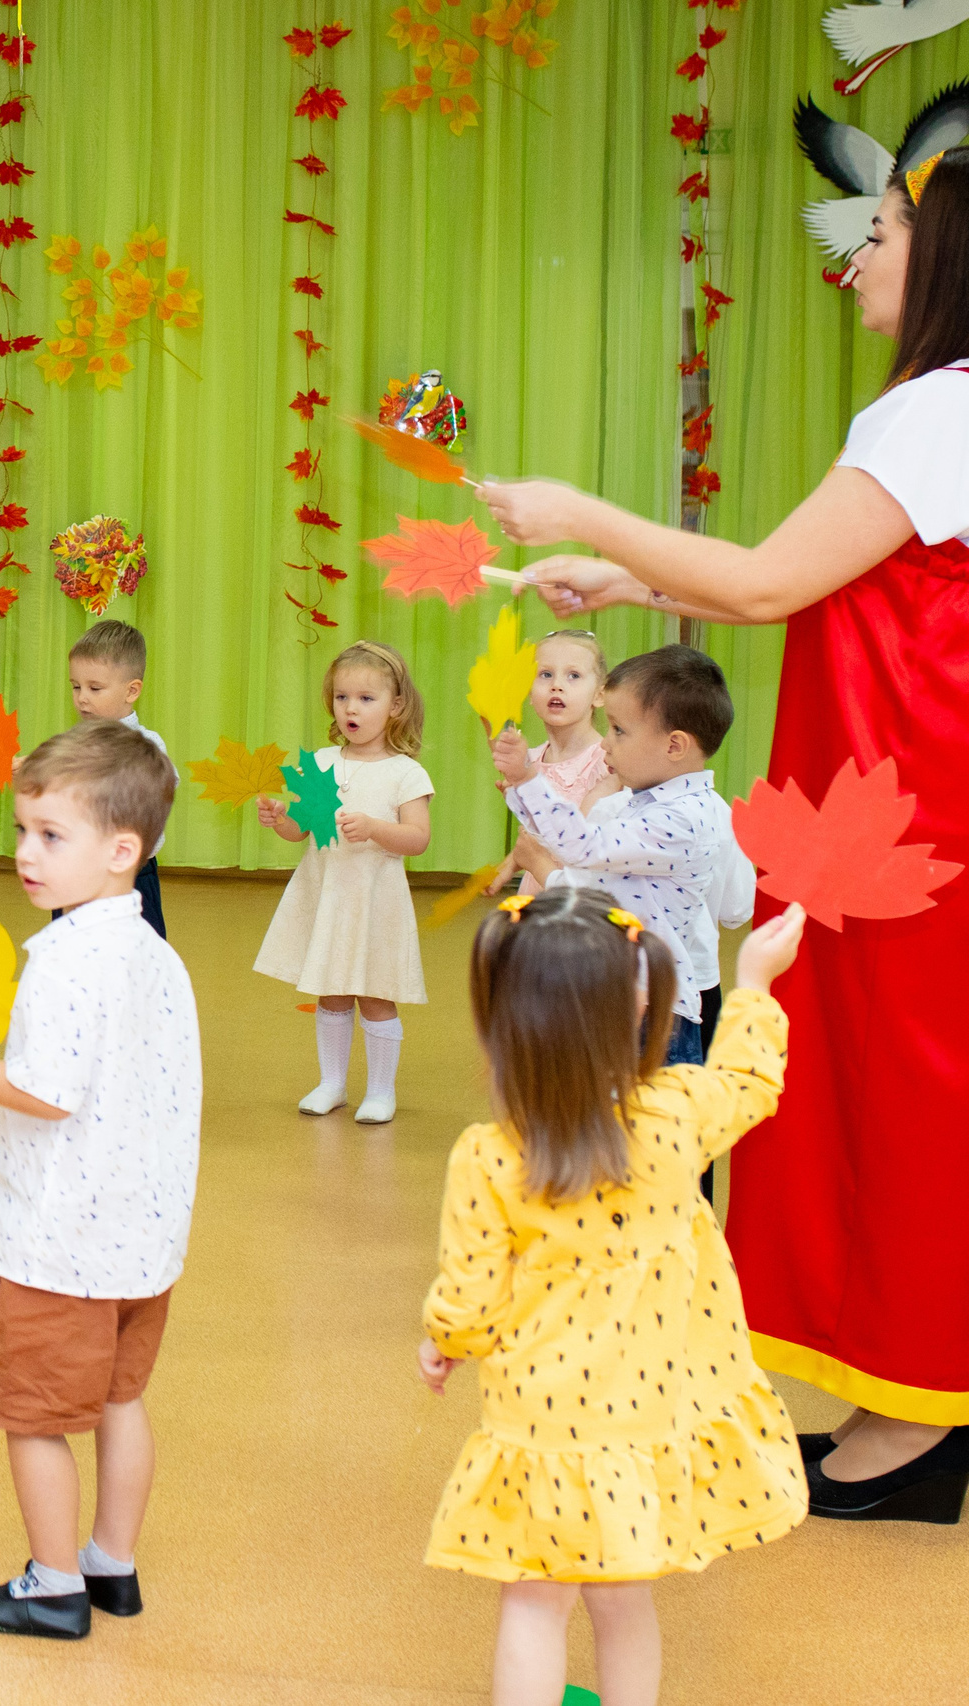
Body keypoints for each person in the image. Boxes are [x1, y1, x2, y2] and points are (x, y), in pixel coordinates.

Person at [484, 149, 969, 1515]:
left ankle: (919, 1410)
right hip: (907, 804)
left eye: (881, 232)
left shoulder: (936, 407)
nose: (856, 258)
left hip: (901, 813)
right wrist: (626, 577)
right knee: (894, 1088)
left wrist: (582, 511)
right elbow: (821, 580)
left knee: (897, 1091)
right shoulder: (946, 408)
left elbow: (762, 584)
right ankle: (909, 1390)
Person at [418, 888, 809, 1706]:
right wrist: (755, 982)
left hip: (539, 1422)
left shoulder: (490, 1157)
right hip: (646, 1416)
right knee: (624, 1597)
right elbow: (748, 1079)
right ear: (637, 1006)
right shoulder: (676, 1116)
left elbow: (472, 1299)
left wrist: (444, 1340)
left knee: (534, 1599)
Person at [0, 721, 199, 1640]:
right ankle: (113, 1563)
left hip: (60, 1247)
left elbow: (46, 1091)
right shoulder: (155, 952)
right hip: (143, 1243)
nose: (25, 854)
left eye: (51, 836)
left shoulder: (66, 960)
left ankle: (54, 1584)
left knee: (33, 1417)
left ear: (121, 851)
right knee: (120, 1400)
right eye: (23, 831)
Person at [489, 647, 734, 1068]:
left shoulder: (681, 818)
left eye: (619, 730)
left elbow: (582, 848)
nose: (605, 742)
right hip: (619, 993)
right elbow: (577, 857)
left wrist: (528, 779)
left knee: (648, 1110)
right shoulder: (645, 803)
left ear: (675, 745)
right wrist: (520, 787)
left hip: (652, 1014)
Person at [252, 641, 434, 1124]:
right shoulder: (321, 762)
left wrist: (374, 828)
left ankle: (381, 1091)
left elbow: (417, 838)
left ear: (396, 706)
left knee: (375, 993)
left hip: (375, 901)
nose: (351, 708)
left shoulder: (406, 772)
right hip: (327, 896)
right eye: (342, 697)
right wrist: (279, 818)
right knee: (330, 990)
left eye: (366, 698)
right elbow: (300, 830)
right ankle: (332, 1083)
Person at [485, 629, 618, 897]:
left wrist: (526, 786)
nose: (557, 685)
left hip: (577, 896)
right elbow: (534, 835)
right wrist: (509, 864)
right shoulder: (532, 759)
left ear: (599, 694)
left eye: (574, 675)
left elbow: (575, 842)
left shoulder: (608, 763)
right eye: (545, 674)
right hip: (537, 890)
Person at [64, 620, 171, 938]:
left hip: (129, 877)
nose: (82, 698)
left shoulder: (147, 745)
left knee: (135, 957)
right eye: (76, 686)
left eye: (95, 688)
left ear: (131, 691)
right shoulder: (72, 743)